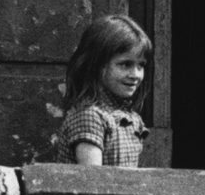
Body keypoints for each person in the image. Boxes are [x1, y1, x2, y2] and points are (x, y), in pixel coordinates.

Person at [60, 14, 153, 166]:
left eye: (140, 65)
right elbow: (94, 182)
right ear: (97, 65)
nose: (135, 75)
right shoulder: (90, 116)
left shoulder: (130, 118)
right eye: (125, 64)